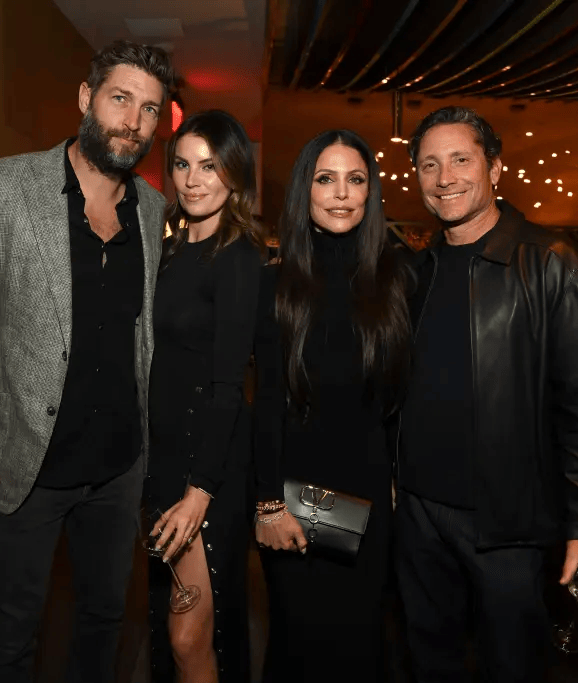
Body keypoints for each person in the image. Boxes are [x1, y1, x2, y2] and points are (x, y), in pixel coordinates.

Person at [0, 40, 172, 682]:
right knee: (10, 637)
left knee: (101, 622)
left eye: (150, 110)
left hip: (119, 472)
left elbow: (144, 335)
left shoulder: (152, 209)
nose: (133, 121)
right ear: (86, 99)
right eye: (121, 99)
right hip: (21, 467)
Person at [395, 106, 578, 683]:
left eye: (460, 160)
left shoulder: (551, 260)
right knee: (429, 662)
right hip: (418, 514)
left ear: (496, 169)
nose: (444, 177)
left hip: (507, 523)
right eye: (428, 164)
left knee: (512, 666)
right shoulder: (416, 271)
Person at [252, 129, 411, 682]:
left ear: (371, 193)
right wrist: (269, 502)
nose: (341, 193)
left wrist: (398, 476)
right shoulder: (277, 283)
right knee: (302, 644)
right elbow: (268, 401)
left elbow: (403, 398)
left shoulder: (396, 279)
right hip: (299, 499)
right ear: (305, 190)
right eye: (326, 179)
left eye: (355, 179)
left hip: (371, 492)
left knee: (361, 645)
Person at [145, 110, 267, 683]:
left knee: (189, 633)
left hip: (207, 466)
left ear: (234, 174)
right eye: (182, 165)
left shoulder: (239, 256)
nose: (193, 180)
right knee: (177, 627)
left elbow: (226, 387)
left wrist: (200, 492)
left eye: (209, 166)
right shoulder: (167, 252)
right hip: (163, 458)